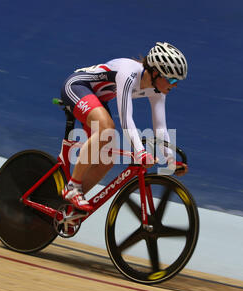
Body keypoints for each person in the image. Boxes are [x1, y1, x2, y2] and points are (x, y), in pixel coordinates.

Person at [60, 42, 189, 212]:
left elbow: (160, 128)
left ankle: (65, 209)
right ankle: (72, 188)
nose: (174, 85)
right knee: (106, 129)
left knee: (106, 161)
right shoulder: (128, 73)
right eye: (172, 79)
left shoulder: (157, 91)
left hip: (97, 99)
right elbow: (126, 118)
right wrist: (140, 152)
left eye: (177, 81)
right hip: (77, 86)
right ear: (156, 73)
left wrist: (170, 161)